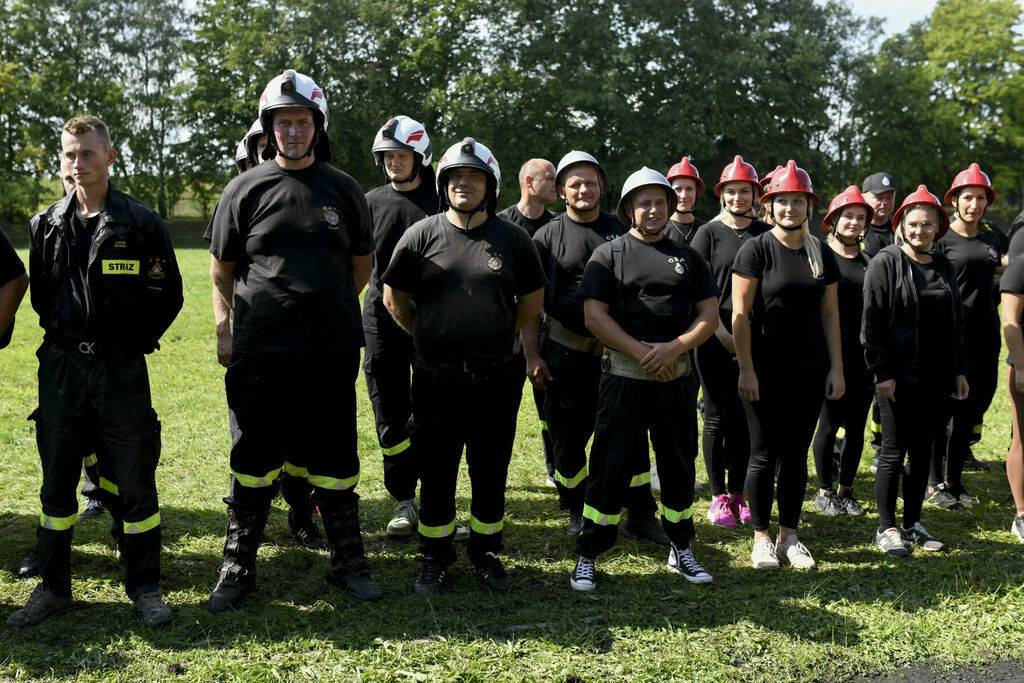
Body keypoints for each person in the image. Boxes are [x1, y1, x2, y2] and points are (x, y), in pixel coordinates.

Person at [206, 70, 381, 611]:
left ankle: (347, 562)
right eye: (283, 122)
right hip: (262, 347)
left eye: (303, 121)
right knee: (254, 453)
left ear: (317, 126)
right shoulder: (244, 188)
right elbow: (221, 269)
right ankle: (238, 566)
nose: (293, 131)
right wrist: (236, 325)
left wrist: (320, 308)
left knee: (333, 453)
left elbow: (361, 267)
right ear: (269, 127)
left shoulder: (344, 188)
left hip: (329, 346)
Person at [9, 115, 182, 628]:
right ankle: (52, 587)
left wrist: (127, 343)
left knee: (133, 477)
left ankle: (145, 587)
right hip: (61, 366)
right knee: (56, 478)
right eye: (69, 154)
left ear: (109, 157)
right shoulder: (46, 223)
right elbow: (42, 297)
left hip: (119, 367)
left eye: (87, 153)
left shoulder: (141, 221)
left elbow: (167, 295)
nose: (77, 163)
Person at [383, 137, 546, 595]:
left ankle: (486, 551)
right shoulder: (421, 234)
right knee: (436, 467)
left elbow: (532, 302)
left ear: (489, 186)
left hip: (497, 375)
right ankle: (435, 556)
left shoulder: (513, 239)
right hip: (436, 377)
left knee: (490, 466)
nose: (464, 185)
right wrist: (427, 336)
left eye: (474, 178)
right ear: (444, 184)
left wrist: (494, 335)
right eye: (456, 177)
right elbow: (392, 296)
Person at [569, 168, 719, 591]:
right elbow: (593, 317)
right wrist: (644, 353)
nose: (653, 209)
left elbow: (709, 314)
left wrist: (674, 348)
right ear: (629, 209)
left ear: (670, 207)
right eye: (644, 202)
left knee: (678, 463)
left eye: (660, 202)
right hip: (624, 379)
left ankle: (681, 547)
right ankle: (589, 552)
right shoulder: (609, 254)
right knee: (608, 464)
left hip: (676, 379)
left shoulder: (688, 257)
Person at [524, 151, 668, 544]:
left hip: (619, 356)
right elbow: (531, 306)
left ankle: (640, 513)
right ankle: (575, 507)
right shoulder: (546, 238)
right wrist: (533, 356)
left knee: (632, 436)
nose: (584, 189)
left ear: (603, 186)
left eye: (590, 182)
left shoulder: (623, 232)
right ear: (561, 191)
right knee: (567, 437)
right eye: (575, 184)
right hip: (565, 355)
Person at [207, 121, 328, 553]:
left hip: (306, 342)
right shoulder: (241, 194)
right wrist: (226, 330)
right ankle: (244, 534)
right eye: (258, 146)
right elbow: (220, 270)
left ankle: (300, 513)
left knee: (302, 441)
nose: (266, 151)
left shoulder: (318, 192)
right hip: (255, 341)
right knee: (251, 440)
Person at [732, 160, 844, 570]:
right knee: (762, 453)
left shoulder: (821, 253)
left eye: (797, 201)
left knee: (796, 455)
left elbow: (830, 315)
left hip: (810, 370)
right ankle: (761, 537)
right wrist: (745, 368)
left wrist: (837, 368)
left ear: (808, 206)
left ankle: (789, 537)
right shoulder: (756, 249)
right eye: (782, 201)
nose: (789, 208)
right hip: (763, 370)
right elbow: (739, 315)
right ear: (770, 205)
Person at [863, 185, 968, 556]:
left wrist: (957, 370)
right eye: (914, 224)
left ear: (938, 227)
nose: (920, 230)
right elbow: (872, 325)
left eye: (928, 224)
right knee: (893, 452)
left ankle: (912, 524)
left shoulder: (942, 265)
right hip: (897, 376)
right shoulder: (886, 262)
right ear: (902, 226)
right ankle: (886, 528)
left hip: (935, 377)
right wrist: (882, 372)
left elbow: (954, 323)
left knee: (924, 453)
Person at [362, 115, 439, 538]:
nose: (394, 162)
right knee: (389, 408)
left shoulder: (442, 200)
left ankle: (435, 496)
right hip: (379, 317)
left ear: (420, 157)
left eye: (402, 155)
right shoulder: (369, 202)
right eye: (388, 156)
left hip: (431, 317)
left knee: (432, 409)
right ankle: (403, 499)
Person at [690, 155, 770, 528]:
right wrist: (720, 333)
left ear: (755, 194)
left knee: (745, 418)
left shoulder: (763, 234)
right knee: (717, 417)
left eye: (745, 191)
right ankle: (718, 495)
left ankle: (740, 493)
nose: (738, 198)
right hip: (714, 337)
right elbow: (700, 289)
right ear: (722, 194)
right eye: (731, 191)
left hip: (753, 340)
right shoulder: (707, 233)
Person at [929, 164, 1003, 509]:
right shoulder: (941, 240)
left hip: (986, 335)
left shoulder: (992, 237)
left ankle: (955, 481)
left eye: (981, 198)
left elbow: (1001, 273)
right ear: (954, 200)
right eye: (968, 197)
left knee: (971, 410)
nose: (974, 204)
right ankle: (932, 484)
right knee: (942, 413)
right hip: (949, 339)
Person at [810, 186, 874, 516]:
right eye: (848, 216)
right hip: (827, 357)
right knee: (829, 425)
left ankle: (845, 489)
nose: (854, 222)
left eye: (861, 218)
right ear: (833, 219)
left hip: (862, 359)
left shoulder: (869, 262)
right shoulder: (818, 256)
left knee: (857, 427)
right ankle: (824, 490)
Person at [860, 172, 898, 471]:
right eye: (878, 197)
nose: (884, 203)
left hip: (895, 326)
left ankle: (881, 448)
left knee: (885, 394)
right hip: (863, 324)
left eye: (889, 197)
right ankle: (837, 453)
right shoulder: (858, 229)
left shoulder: (900, 230)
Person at [999, 257, 1024, 542]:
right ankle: (1021, 514)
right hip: (1022, 365)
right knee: (1022, 437)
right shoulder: (1020, 267)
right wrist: (1021, 367)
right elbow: (1010, 320)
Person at [664, 157, 706, 247]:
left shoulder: (707, 230)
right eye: (678, 189)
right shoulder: (659, 229)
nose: (683, 195)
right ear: (669, 192)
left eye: (689, 189)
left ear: (696, 192)